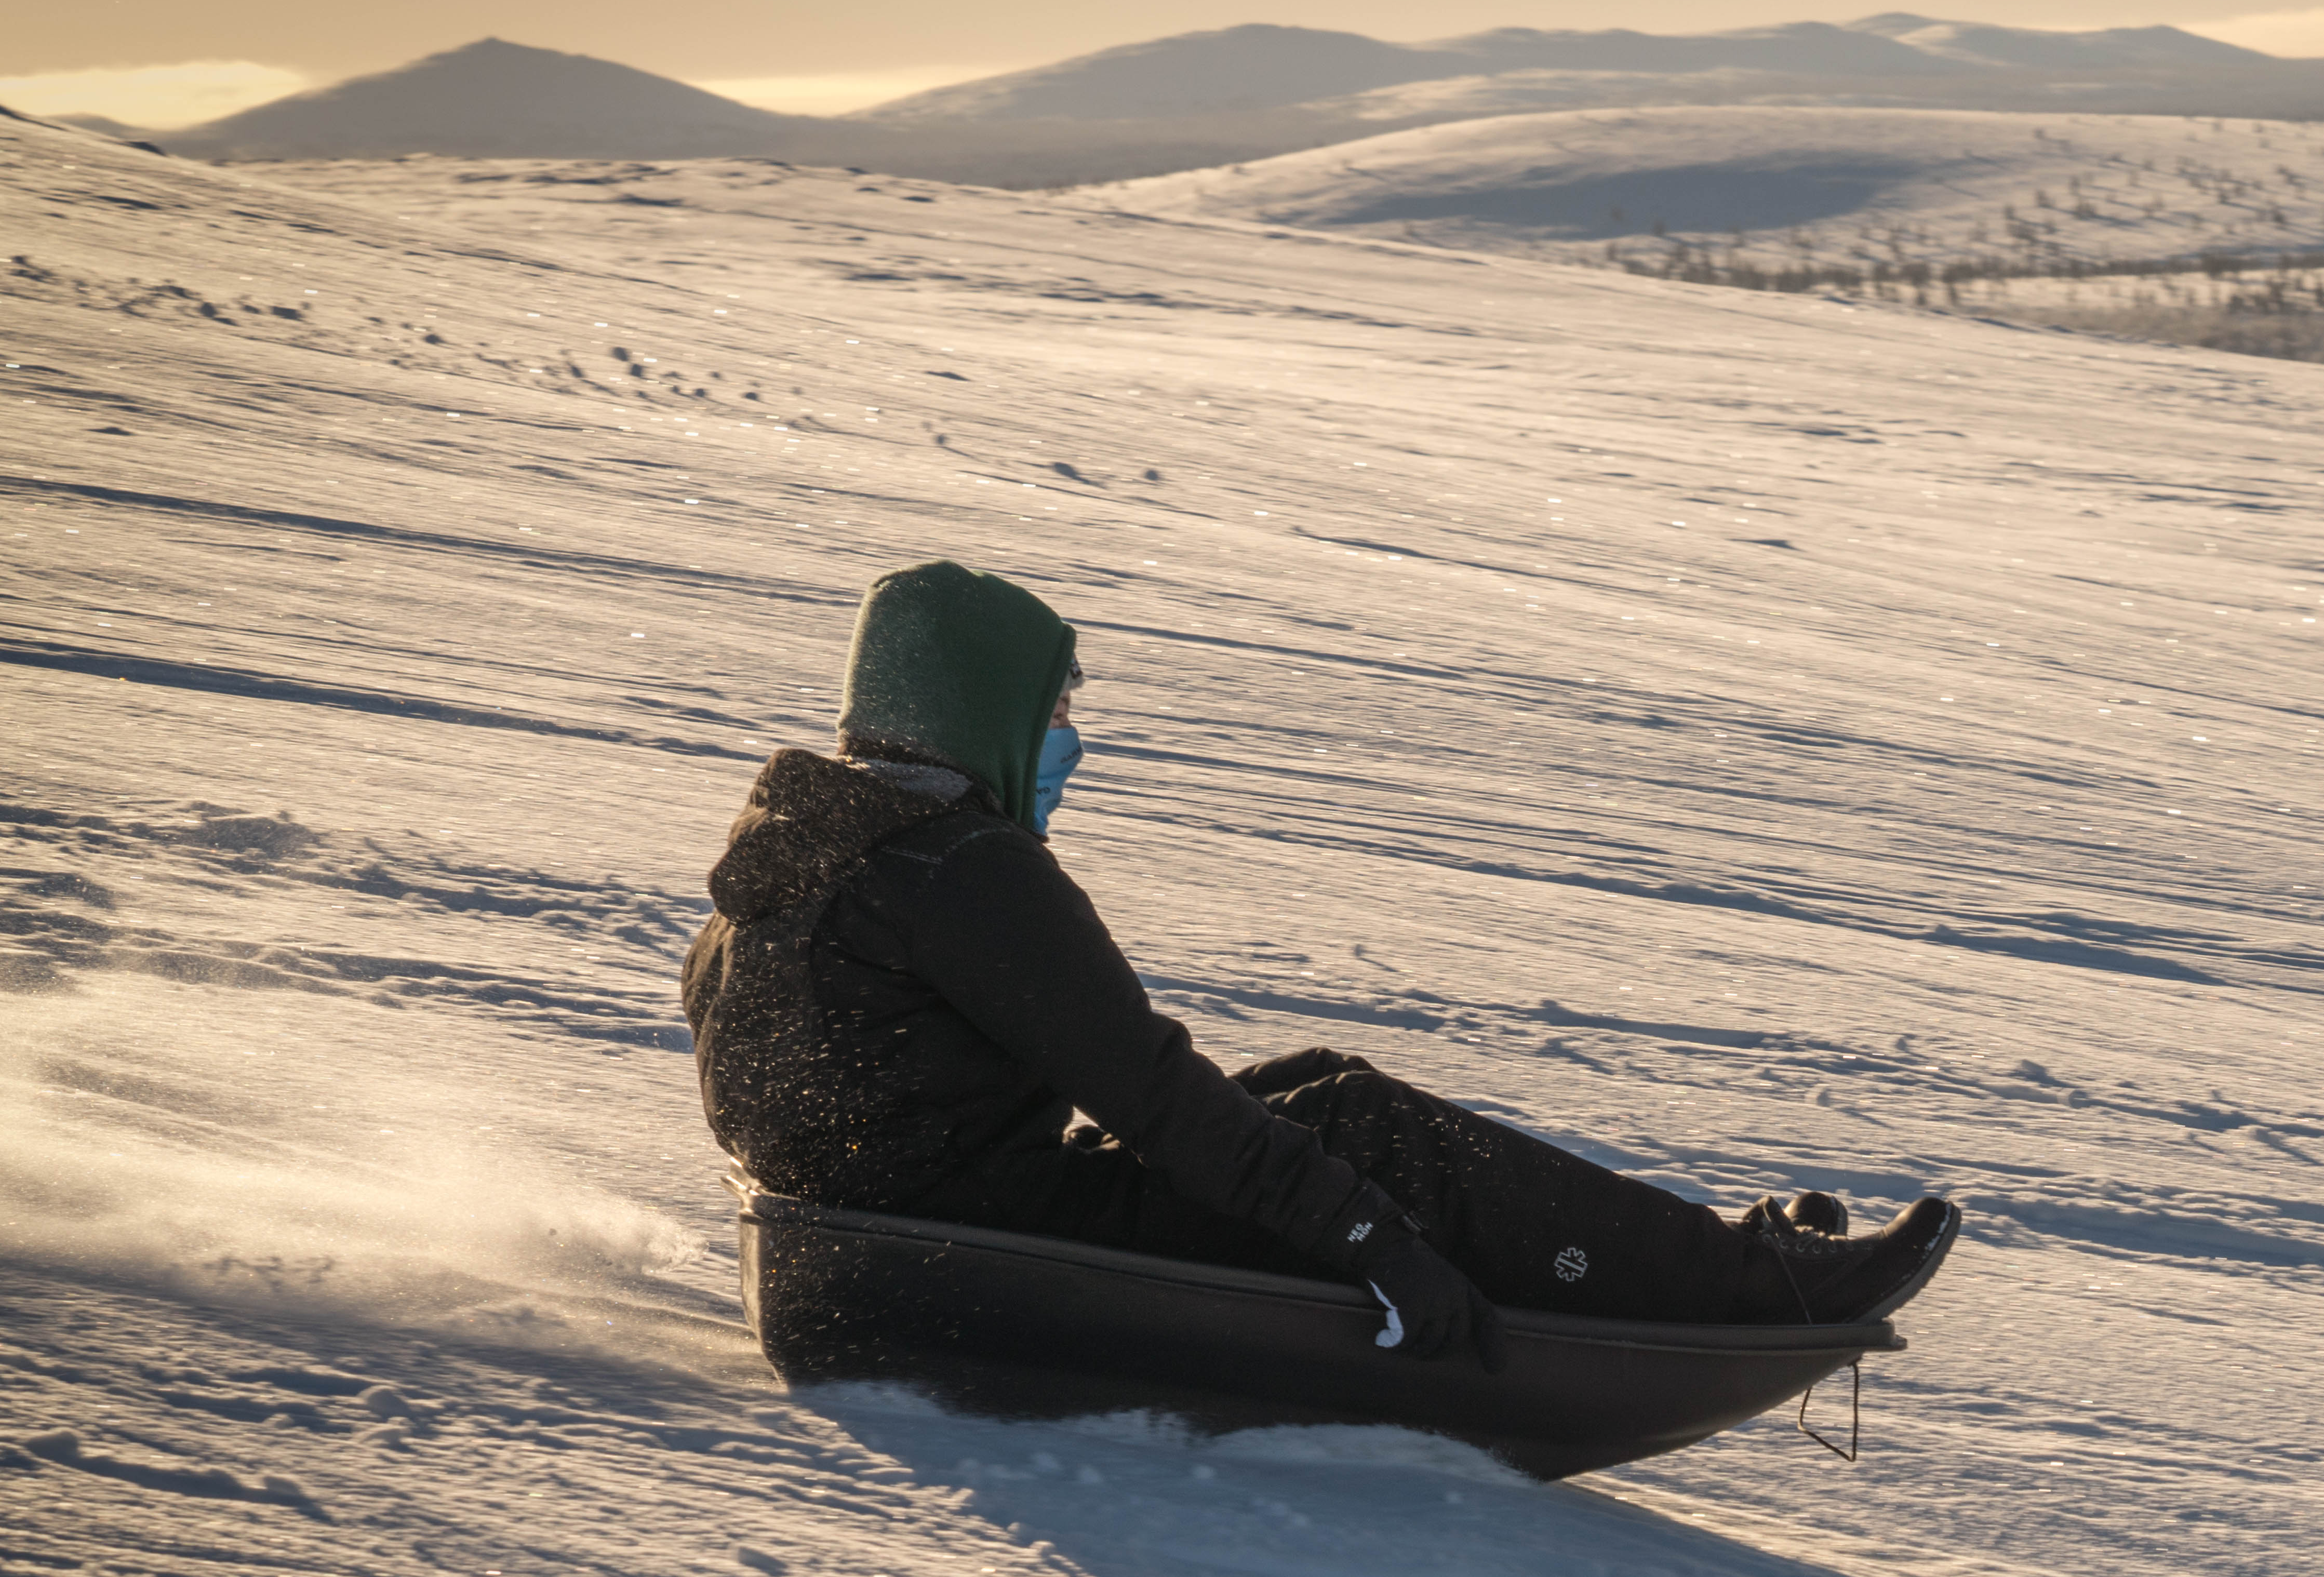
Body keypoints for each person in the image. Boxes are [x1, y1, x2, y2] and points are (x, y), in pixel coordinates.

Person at [681, 560, 1959, 1369]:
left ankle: (1697, 1257)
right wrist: (1374, 1241)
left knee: (1307, 1083)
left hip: (869, 1258)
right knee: (1358, 1128)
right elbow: (1156, 1099)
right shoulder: (962, 869)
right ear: (983, 709)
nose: (1070, 739)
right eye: (1055, 710)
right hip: (978, 1263)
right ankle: (1749, 1286)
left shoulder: (791, 863)